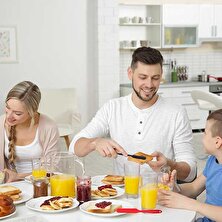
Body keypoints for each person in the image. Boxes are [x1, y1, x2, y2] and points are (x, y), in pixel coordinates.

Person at [69, 47, 196, 182]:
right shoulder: (112, 108)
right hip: (123, 194)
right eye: (143, 77)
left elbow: (191, 172)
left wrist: (169, 165)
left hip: (161, 196)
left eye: (155, 78)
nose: (149, 84)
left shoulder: (176, 113)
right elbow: (74, 147)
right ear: (130, 73)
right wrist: (95, 142)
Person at [158, 109, 222, 222]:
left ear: (217, 142)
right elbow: (194, 188)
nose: (202, 136)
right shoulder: (213, 161)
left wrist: (191, 204)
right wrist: (174, 188)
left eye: (205, 133)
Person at [0, 81, 59, 182]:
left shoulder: (48, 127)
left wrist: (18, 176)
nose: (9, 116)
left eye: (17, 113)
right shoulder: (1, 123)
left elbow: (52, 169)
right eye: (7, 108)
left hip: (41, 184)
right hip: (9, 186)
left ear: (32, 112)